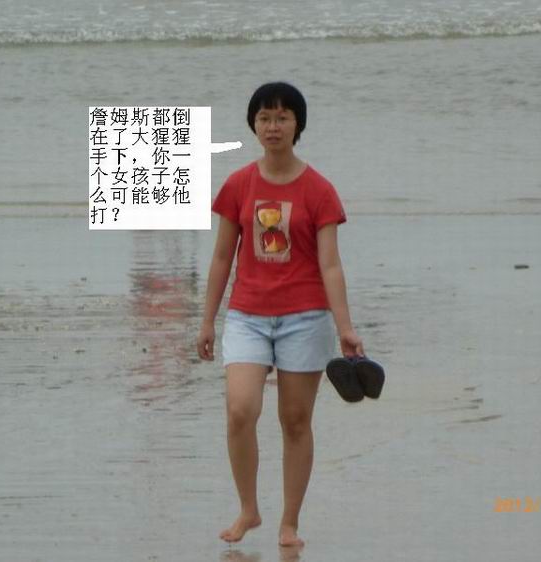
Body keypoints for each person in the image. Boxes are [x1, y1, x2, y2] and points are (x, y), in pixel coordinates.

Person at [196, 81, 364, 547]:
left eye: (283, 117)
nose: (273, 126)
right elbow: (221, 258)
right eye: (265, 117)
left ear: (297, 125)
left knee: (294, 420)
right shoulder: (238, 184)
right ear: (253, 124)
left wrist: (345, 327)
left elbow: (330, 265)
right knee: (240, 409)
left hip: (305, 318)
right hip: (247, 315)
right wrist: (207, 320)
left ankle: (289, 522)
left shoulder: (319, 191)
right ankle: (248, 510)